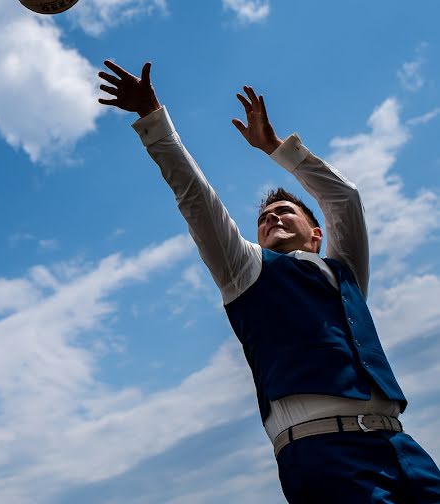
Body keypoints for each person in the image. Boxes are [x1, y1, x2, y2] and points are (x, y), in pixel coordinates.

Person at [98, 60, 440, 502]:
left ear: (316, 233)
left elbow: (344, 198)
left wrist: (277, 148)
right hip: (322, 454)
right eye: (263, 218)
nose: (272, 217)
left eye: (284, 212)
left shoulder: (345, 272)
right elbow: (195, 197)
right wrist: (152, 117)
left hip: (402, 447)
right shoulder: (244, 269)